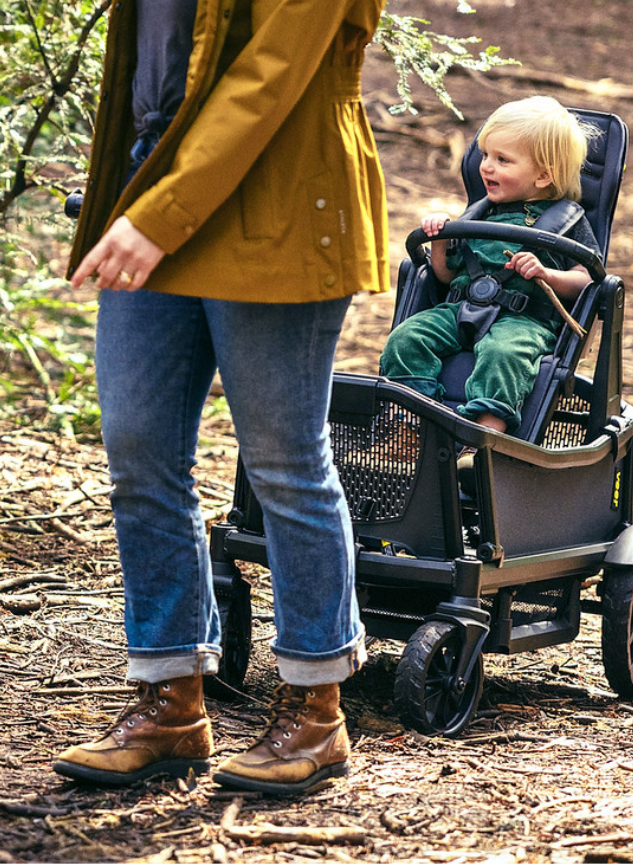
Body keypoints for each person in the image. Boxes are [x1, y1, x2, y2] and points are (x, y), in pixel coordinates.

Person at [52, 0, 389, 796]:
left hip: (280, 184)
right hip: (158, 178)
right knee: (138, 451)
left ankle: (314, 709)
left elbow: (269, 78)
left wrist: (156, 217)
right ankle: (171, 701)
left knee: (282, 459)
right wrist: (141, 196)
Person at [379, 96, 599, 437]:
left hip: (524, 319)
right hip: (458, 308)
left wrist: (547, 273)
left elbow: (587, 281)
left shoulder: (569, 219)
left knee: (503, 355)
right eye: (484, 155)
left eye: (502, 159)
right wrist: (440, 238)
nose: (486, 167)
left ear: (543, 176)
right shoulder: (478, 214)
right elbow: (445, 276)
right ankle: (412, 429)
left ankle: (483, 442)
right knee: (407, 339)